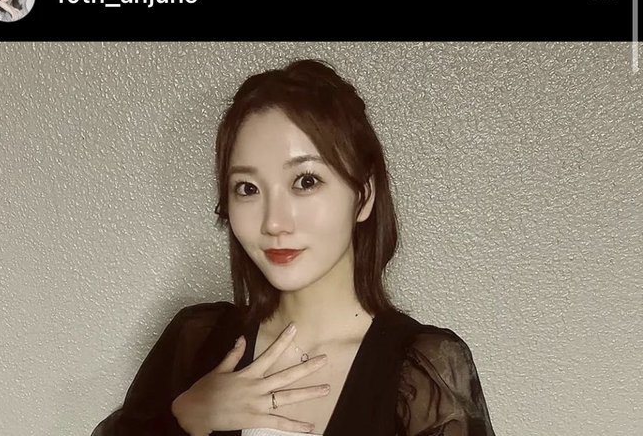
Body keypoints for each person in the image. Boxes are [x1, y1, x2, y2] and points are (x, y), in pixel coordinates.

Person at [91, 59, 497, 435]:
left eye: (305, 181)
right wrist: (185, 417)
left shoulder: (421, 373)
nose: (274, 223)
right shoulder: (197, 340)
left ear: (364, 195)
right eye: (247, 188)